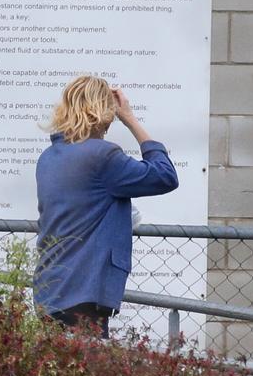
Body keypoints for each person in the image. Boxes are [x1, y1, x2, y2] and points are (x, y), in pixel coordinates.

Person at [33, 75, 178, 337]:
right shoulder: (102, 156)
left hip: (50, 287)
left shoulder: (49, 158)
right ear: (105, 112)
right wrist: (131, 119)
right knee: (83, 374)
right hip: (84, 288)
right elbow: (165, 176)